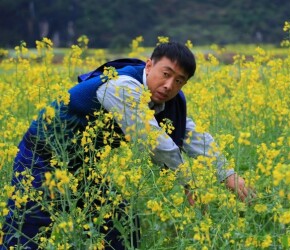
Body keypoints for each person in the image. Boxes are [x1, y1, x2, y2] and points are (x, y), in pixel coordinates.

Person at [1, 42, 255, 249]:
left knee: (120, 224)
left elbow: (190, 133)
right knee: (26, 232)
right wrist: (188, 183)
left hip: (82, 163)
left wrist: (228, 174)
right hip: (42, 156)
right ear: (149, 65)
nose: (169, 86)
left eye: (179, 81)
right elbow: (154, 141)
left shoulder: (168, 101)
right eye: (166, 74)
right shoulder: (122, 86)